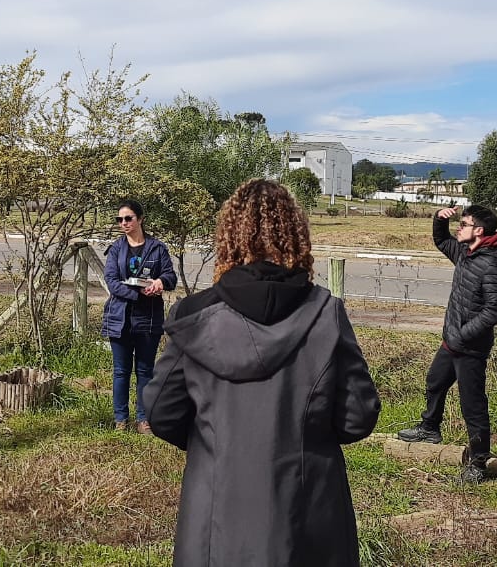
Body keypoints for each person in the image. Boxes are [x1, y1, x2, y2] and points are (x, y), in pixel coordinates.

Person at [142, 178, 379, 566]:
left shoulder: (194, 315)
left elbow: (161, 413)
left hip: (216, 514)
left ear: (229, 237)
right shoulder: (325, 314)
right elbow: (358, 417)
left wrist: (221, 444)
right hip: (309, 514)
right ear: (296, 236)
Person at [395, 204, 497, 483]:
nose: (460, 227)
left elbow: (496, 309)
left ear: (479, 231)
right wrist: (438, 219)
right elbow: (441, 240)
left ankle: (479, 463)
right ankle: (430, 428)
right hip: (453, 341)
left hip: (470, 346)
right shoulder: (465, 252)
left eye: (464, 224)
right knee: (435, 380)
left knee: (472, 404)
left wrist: (463, 333)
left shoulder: (489, 262)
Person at [102, 200, 178, 432]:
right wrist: (138, 295)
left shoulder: (157, 248)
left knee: (145, 370)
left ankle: (143, 419)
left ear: (141, 219)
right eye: (120, 219)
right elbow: (112, 281)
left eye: (128, 218)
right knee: (121, 371)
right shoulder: (116, 249)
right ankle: (121, 419)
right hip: (121, 318)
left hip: (149, 319)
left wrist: (159, 282)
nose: (123, 223)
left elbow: (170, 277)